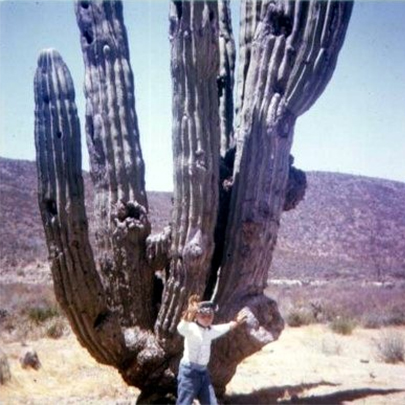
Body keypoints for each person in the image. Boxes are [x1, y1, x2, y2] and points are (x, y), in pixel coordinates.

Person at [176, 295, 248, 405]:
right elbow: (181, 327)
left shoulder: (210, 331)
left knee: (211, 402)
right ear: (196, 316)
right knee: (184, 402)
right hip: (189, 372)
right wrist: (189, 314)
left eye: (209, 316)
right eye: (203, 316)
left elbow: (225, 327)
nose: (206, 318)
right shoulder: (190, 328)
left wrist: (236, 323)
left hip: (203, 373)